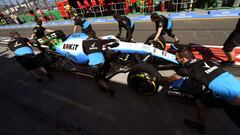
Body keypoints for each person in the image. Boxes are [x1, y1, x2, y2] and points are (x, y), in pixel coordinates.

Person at [164, 46, 240, 133]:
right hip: (235, 85)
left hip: (234, 100)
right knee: (200, 102)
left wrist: (158, 79)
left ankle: (199, 125)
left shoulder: (186, 69)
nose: (176, 59)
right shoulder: (207, 61)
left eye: (177, 58)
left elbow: (170, 79)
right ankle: (199, 124)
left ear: (183, 59)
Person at [82, 31, 118, 97]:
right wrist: (115, 39)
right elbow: (109, 40)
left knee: (97, 78)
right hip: (102, 61)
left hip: (95, 64)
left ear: (87, 36)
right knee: (105, 55)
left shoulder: (84, 42)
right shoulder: (98, 41)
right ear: (94, 35)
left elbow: (85, 52)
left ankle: (108, 89)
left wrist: (91, 51)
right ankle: (104, 73)